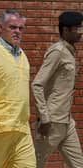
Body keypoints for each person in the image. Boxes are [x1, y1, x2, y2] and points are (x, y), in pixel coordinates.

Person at [0, 9, 36, 168]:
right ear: (0, 28)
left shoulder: (23, 55)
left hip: (22, 130)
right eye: (12, 27)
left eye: (20, 28)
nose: (17, 32)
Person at [32, 11, 83, 168]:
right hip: (52, 123)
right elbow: (37, 84)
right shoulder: (57, 52)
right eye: (77, 28)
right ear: (65, 30)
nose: (80, 32)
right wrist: (45, 118)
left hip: (67, 122)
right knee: (35, 164)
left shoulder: (69, 52)